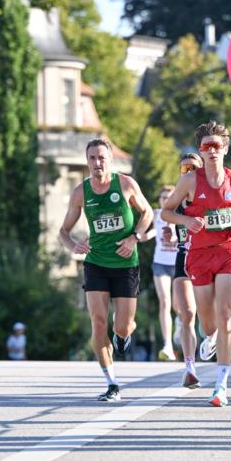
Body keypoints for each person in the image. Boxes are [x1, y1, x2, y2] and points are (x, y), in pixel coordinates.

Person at [161, 121, 231, 407]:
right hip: (199, 256)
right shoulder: (190, 181)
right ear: (200, 151)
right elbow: (166, 212)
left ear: (225, 149)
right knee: (208, 321)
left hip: (228, 252)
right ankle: (210, 337)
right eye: (206, 147)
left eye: (217, 146)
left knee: (225, 316)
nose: (212, 151)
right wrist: (186, 220)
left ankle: (221, 385)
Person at [59, 137, 152, 403]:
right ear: (87, 161)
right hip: (96, 263)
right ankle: (112, 383)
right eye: (92, 158)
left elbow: (146, 213)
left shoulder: (125, 184)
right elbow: (63, 231)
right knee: (97, 323)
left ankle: (122, 332)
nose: (97, 163)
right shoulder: (81, 193)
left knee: (122, 326)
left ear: (110, 160)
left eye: (102, 157)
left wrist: (134, 237)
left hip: (125, 263)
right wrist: (73, 245)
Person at [170, 151, 204, 389]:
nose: (189, 172)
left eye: (193, 168)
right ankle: (190, 368)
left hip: (207, 260)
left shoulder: (209, 198)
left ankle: (210, 338)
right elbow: (168, 225)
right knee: (188, 314)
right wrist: (170, 234)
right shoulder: (175, 201)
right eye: (184, 169)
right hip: (183, 259)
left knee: (211, 319)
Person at [149, 184, 179, 361]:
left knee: (179, 307)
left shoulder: (181, 214)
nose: (165, 200)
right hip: (160, 262)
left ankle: (180, 323)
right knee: (164, 302)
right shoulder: (156, 214)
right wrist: (143, 236)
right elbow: (154, 229)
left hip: (178, 264)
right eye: (163, 198)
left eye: (169, 197)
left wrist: (174, 237)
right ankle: (167, 345)